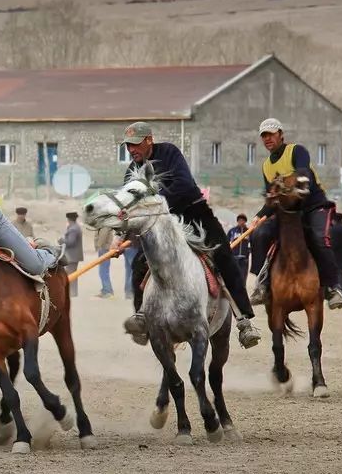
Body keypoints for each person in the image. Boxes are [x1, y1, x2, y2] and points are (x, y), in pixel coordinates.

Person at [119, 121, 260, 349]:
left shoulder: (170, 153)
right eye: (128, 146)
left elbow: (184, 186)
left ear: (149, 140)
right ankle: (141, 317)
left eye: (135, 144)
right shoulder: (131, 172)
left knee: (223, 256)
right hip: (162, 227)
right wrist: (123, 236)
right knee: (138, 265)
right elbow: (130, 205)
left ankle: (244, 321)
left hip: (195, 214)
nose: (131, 150)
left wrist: (154, 203)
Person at [249, 118, 342, 309]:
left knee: (320, 238)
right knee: (259, 234)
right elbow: (271, 199)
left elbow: (303, 173)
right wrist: (259, 216)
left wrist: (294, 183)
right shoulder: (266, 166)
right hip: (287, 213)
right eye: (264, 136)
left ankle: (333, 288)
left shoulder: (296, 151)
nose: (267, 138)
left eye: (271, 134)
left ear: (280, 134)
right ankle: (263, 286)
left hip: (313, 206)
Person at [59, 212, 83, 297]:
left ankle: (72, 292)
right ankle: (73, 292)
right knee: (72, 274)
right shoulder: (75, 227)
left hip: (72, 256)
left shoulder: (73, 229)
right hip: (74, 255)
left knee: (71, 274)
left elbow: (70, 242)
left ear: (69, 219)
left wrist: (61, 241)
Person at [227, 214, 251, 279]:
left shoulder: (249, 231)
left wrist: (248, 251)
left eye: (243, 220)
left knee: (243, 277)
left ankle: (242, 288)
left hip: (244, 259)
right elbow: (226, 242)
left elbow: (252, 243)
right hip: (234, 257)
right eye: (240, 220)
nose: (241, 222)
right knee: (233, 276)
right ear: (237, 221)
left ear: (245, 221)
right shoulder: (232, 231)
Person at [94, 226, 114, 299]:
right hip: (104, 248)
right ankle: (105, 290)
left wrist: (98, 246)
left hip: (104, 248)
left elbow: (103, 236)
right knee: (103, 271)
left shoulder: (104, 225)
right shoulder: (104, 224)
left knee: (103, 271)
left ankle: (108, 291)